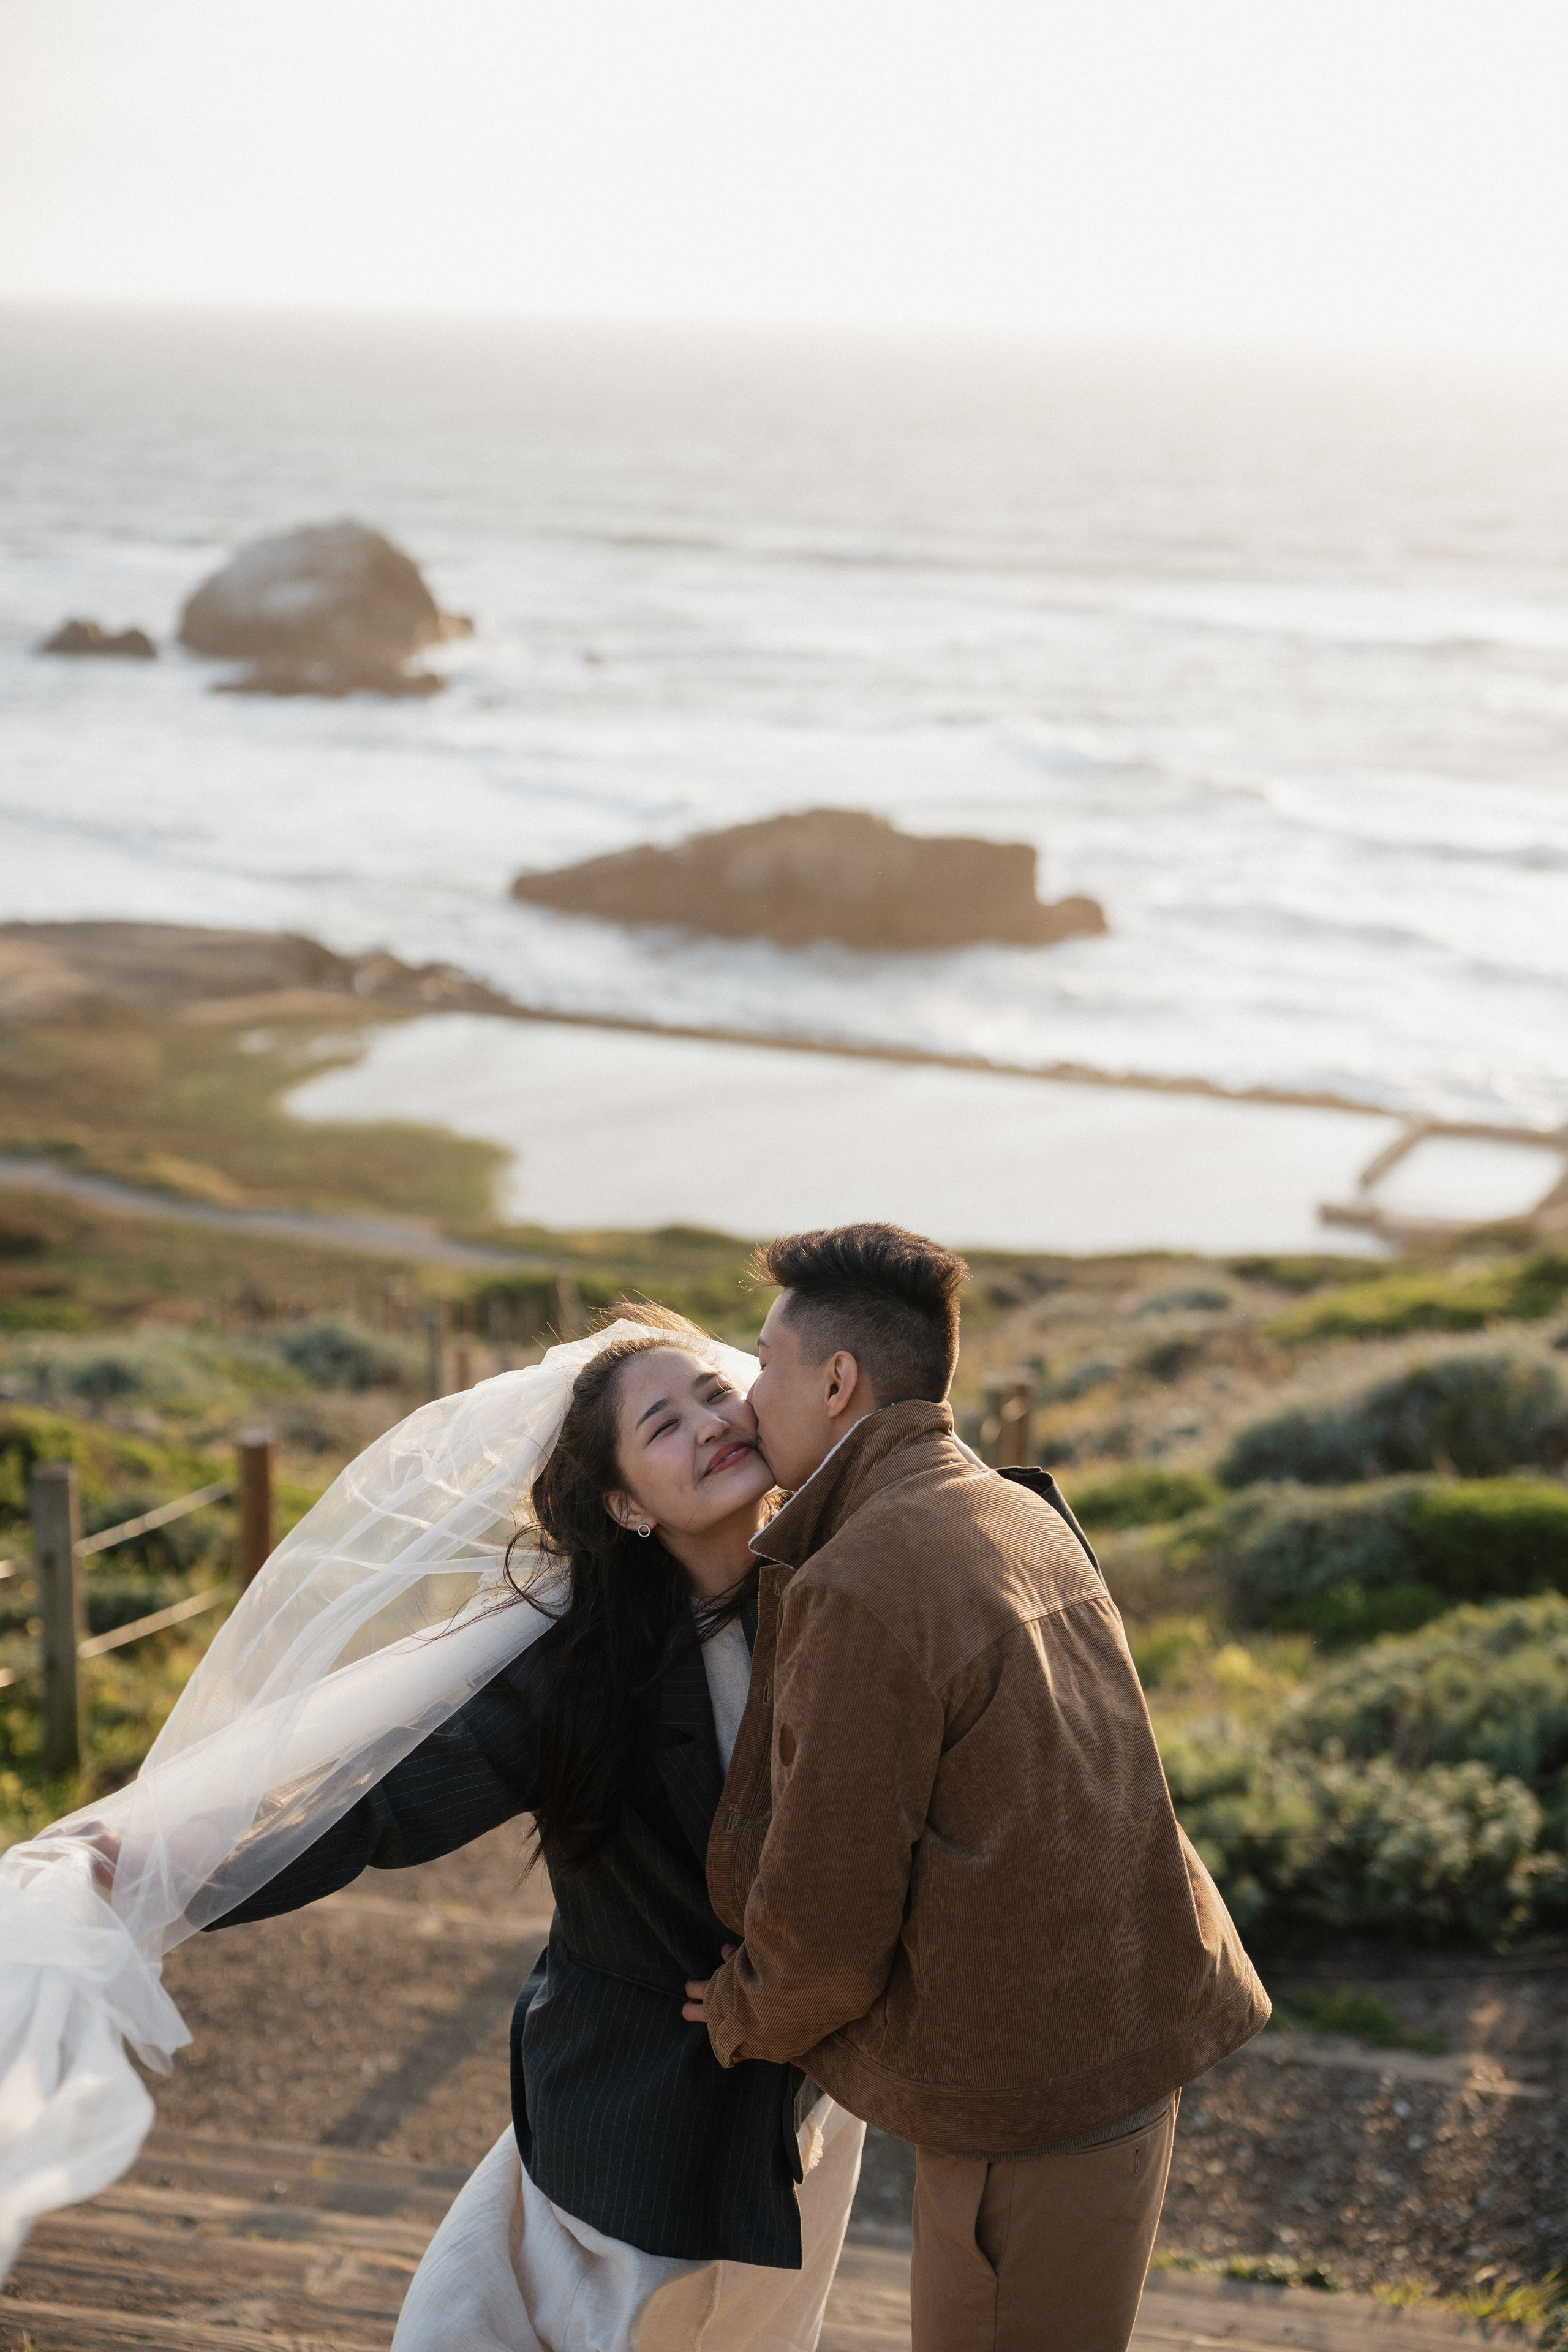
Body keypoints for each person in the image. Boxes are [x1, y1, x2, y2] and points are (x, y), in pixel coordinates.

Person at [0, 1312, 862, 2351]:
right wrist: (174, 1868)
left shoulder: (843, 1596)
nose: (713, 1424)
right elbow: (382, 1806)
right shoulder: (579, 1665)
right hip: (629, 2111)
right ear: (627, 1505)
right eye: (665, 1424)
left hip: (801, 2107)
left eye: (715, 1393)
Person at [685, 1223, 1270, 2352]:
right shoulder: (1008, 1505)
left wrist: (746, 2010)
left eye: (765, 1363)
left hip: (1039, 2098)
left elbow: (831, 1908)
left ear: (839, 1378)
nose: (750, 1398)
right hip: (1118, 2040)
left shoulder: (866, 1578)